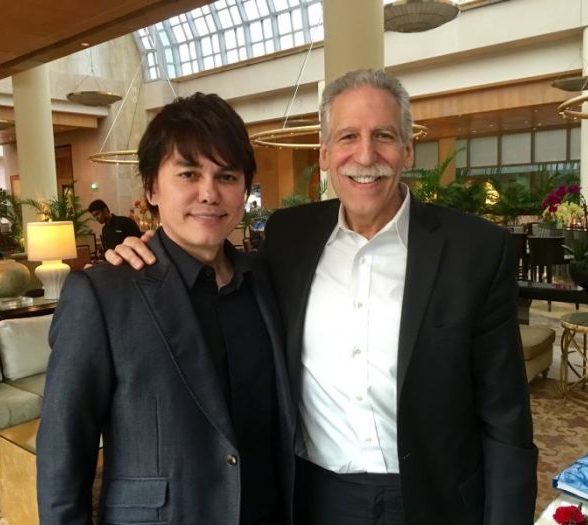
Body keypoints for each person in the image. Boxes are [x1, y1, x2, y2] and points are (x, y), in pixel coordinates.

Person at [107, 69, 538, 525]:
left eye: (385, 136)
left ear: (408, 150)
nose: (366, 155)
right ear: (326, 154)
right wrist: (149, 249)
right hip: (313, 498)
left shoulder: (475, 249)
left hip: (434, 499)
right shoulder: (290, 238)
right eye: (348, 136)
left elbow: (505, 416)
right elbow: (209, 264)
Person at [38, 93, 295, 525]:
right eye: (189, 174)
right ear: (152, 188)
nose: (209, 193)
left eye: (227, 176)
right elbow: (64, 450)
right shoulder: (103, 294)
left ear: (243, 189)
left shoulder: (265, 280)